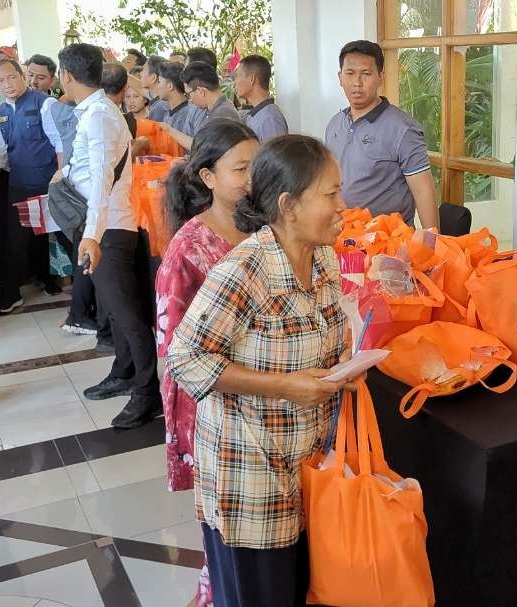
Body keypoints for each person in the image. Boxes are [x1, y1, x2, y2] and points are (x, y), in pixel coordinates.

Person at [167, 134, 352, 605]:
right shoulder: (245, 270)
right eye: (330, 195)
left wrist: (349, 366)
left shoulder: (325, 259)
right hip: (252, 480)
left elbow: (327, 338)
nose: (343, 205)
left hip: (308, 471)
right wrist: (285, 387)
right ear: (289, 206)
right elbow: (185, 359)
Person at [155, 119, 258, 606]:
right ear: (208, 177)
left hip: (261, 397)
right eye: (241, 168)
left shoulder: (262, 230)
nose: (254, 177)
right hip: (212, 405)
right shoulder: (189, 249)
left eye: (259, 164)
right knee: (223, 522)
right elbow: (175, 351)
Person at [58, 43, 161, 429]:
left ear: (67, 75)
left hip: (109, 229)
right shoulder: (94, 112)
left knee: (128, 316)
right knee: (116, 314)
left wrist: (91, 235)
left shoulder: (99, 115)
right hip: (105, 226)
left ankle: (147, 393)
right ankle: (125, 372)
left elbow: (102, 178)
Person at [0, 59, 65, 313]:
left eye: (12, 77)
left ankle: (72, 287)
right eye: (1, 81)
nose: (8, 84)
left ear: (22, 76)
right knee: (16, 241)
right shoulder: (0, 114)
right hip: (20, 186)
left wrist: (61, 175)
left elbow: (60, 143)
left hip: (51, 184)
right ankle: (11, 293)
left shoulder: (45, 104)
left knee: (64, 237)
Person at [325, 40, 438, 230]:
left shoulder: (403, 128)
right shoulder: (335, 124)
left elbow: (423, 190)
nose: (357, 83)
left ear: (380, 78)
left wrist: (432, 244)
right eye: (350, 73)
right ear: (340, 77)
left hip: (389, 242)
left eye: (366, 74)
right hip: (343, 238)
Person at [162, 61, 242, 150]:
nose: (190, 100)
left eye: (188, 94)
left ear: (201, 91)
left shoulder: (223, 114)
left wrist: (168, 129)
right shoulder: (212, 109)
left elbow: (204, 149)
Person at [235, 54, 288, 143]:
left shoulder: (270, 119)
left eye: (238, 75)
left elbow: (274, 156)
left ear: (252, 79)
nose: (235, 81)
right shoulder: (257, 114)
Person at [156, 61, 203, 138]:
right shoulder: (169, 110)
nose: (157, 86)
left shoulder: (188, 113)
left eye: (159, 82)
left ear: (170, 86)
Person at [141, 55, 170, 122]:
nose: (141, 74)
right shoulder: (157, 101)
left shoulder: (160, 106)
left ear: (153, 77)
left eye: (144, 70)